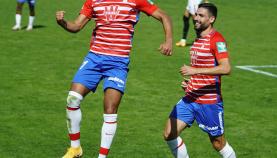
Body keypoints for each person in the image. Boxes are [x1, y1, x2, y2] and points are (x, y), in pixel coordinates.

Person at [56, 0, 173, 157]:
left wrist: (169, 40)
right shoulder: (93, 1)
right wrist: (62, 22)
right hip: (94, 58)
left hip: (118, 63)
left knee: (110, 110)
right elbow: (76, 26)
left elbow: (163, 16)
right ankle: (75, 148)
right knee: (72, 99)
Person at [164, 3, 236, 158]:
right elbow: (203, 68)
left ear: (211, 19)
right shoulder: (198, 38)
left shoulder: (217, 40)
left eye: (201, 15)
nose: (195, 18)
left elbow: (226, 68)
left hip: (209, 103)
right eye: (196, 14)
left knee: (218, 144)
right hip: (191, 98)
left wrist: (194, 71)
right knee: (169, 133)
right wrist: (191, 83)